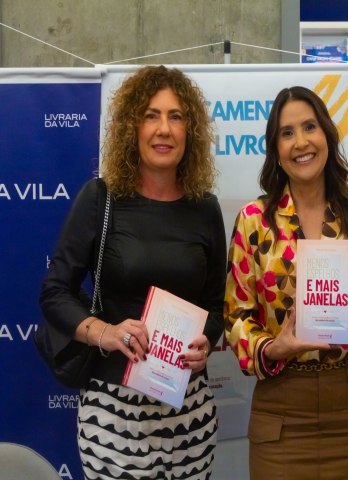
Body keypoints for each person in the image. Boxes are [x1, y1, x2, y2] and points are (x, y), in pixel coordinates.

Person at [39, 65, 226, 480]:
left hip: (188, 412)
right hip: (113, 414)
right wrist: (104, 332)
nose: (164, 129)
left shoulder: (205, 207)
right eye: (151, 115)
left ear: (189, 130)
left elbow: (216, 304)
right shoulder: (101, 198)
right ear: (132, 127)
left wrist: (207, 340)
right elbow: (54, 293)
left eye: (175, 116)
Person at [224, 86, 348, 480]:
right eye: (287, 133)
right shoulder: (254, 221)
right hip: (282, 410)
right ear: (275, 148)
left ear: (327, 136)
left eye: (309, 127)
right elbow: (235, 316)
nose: (300, 142)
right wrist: (272, 346)